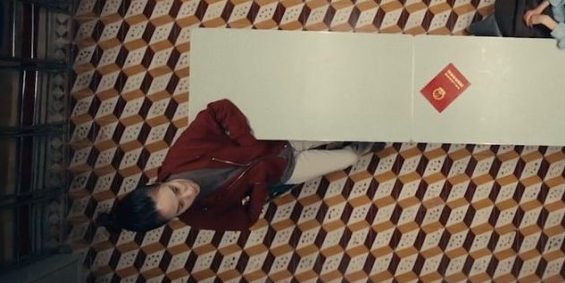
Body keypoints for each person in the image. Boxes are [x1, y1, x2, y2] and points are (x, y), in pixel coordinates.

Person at [97, 99, 384, 233]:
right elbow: (244, 221)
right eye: (181, 206)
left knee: (338, 125)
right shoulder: (199, 218)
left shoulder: (181, 156)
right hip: (284, 171)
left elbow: (216, 109)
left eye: (175, 190)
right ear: (175, 218)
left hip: (278, 136)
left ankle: (351, 134)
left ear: (158, 181)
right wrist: (260, 186)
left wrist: (248, 143)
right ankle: (365, 143)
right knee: (349, 158)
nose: (189, 192)